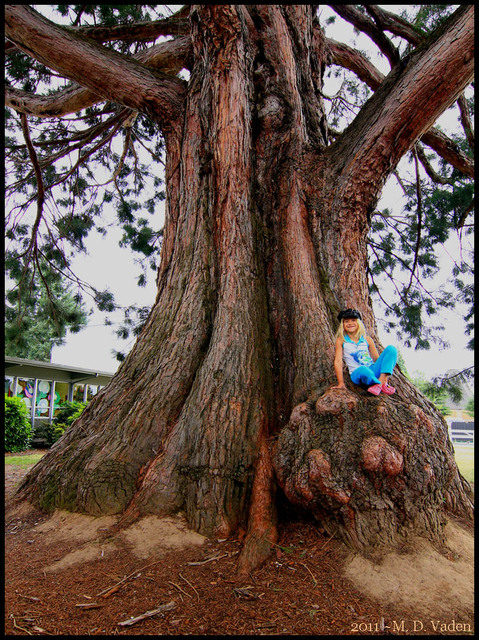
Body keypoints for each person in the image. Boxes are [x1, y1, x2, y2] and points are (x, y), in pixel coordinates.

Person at [332, 308, 397, 396]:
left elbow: (377, 359)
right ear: (342, 325)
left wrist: (384, 377)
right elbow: (338, 361)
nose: (350, 323)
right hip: (357, 373)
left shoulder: (367, 339)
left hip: (372, 369)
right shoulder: (341, 340)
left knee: (391, 349)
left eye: (353, 320)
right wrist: (341, 383)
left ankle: (380, 383)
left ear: (359, 323)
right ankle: (378, 383)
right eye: (346, 321)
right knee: (364, 370)